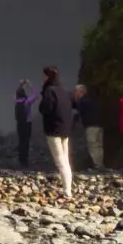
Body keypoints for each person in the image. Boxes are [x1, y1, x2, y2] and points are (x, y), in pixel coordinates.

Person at [36, 68, 74, 197]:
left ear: (48, 77)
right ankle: (68, 188)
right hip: (65, 130)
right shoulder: (64, 91)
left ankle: (67, 191)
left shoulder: (49, 91)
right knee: (66, 160)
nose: (42, 78)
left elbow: (45, 108)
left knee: (60, 161)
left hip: (53, 130)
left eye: (44, 76)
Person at [73, 81, 105, 173]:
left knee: (93, 146)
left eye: (76, 92)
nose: (75, 94)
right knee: (99, 146)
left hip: (91, 127)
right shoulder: (91, 100)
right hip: (99, 125)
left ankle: (97, 166)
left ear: (80, 92)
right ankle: (100, 164)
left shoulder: (82, 102)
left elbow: (78, 114)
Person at [12, 79, 35, 168]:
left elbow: (15, 93)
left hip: (19, 124)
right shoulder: (27, 102)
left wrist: (21, 85)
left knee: (21, 141)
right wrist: (29, 84)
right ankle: (25, 161)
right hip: (27, 124)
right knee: (26, 142)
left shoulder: (16, 102)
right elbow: (36, 94)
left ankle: (21, 160)